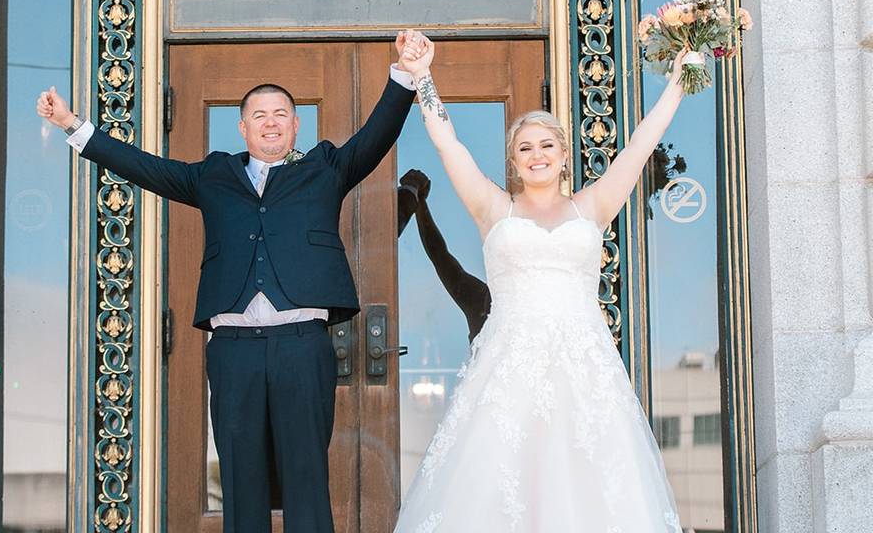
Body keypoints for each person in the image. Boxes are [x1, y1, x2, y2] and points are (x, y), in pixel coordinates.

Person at [36, 33, 421, 533]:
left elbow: (377, 133)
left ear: (295, 124)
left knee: (305, 476)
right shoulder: (212, 176)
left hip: (301, 345)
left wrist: (406, 74)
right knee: (241, 479)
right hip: (233, 348)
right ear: (242, 127)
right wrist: (72, 125)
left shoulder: (326, 167)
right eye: (259, 115)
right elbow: (145, 168)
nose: (270, 123)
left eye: (280, 114)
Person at [393, 33, 685, 531]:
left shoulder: (592, 206)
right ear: (513, 160)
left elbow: (640, 147)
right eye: (525, 148)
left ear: (564, 154)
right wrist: (423, 77)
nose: (536, 155)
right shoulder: (493, 208)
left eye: (546, 145)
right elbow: (448, 145)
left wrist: (679, 80)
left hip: (584, 369)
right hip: (509, 368)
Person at [397, 169, 489, 343]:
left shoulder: (484, 299)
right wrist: (420, 203)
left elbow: (439, 256)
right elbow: (439, 255)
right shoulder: (481, 299)